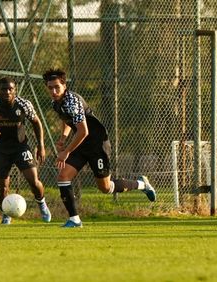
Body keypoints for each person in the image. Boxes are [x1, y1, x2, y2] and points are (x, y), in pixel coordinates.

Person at [42, 69, 156, 228]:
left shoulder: (72, 101)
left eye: (57, 87)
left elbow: (83, 131)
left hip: (97, 144)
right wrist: (63, 137)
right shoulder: (56, 103)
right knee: (63, 176)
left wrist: (66, 151)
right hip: (81, 144)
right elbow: (66, 119)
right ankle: (74, 219)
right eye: (50, 88)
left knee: (106, 187)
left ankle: (141, 184)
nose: (53, 91)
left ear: (64, 85)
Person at [0, 77, 51, 224]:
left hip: (21, 147)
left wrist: (41, 145)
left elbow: (36, 122)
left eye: (10, 89)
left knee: (33, 181)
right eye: (4, 89)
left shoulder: (23, 104)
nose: (7, 92)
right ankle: (6, 214)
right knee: (2, 187)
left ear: (14, 90)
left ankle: (42, 204)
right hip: (0, 150)